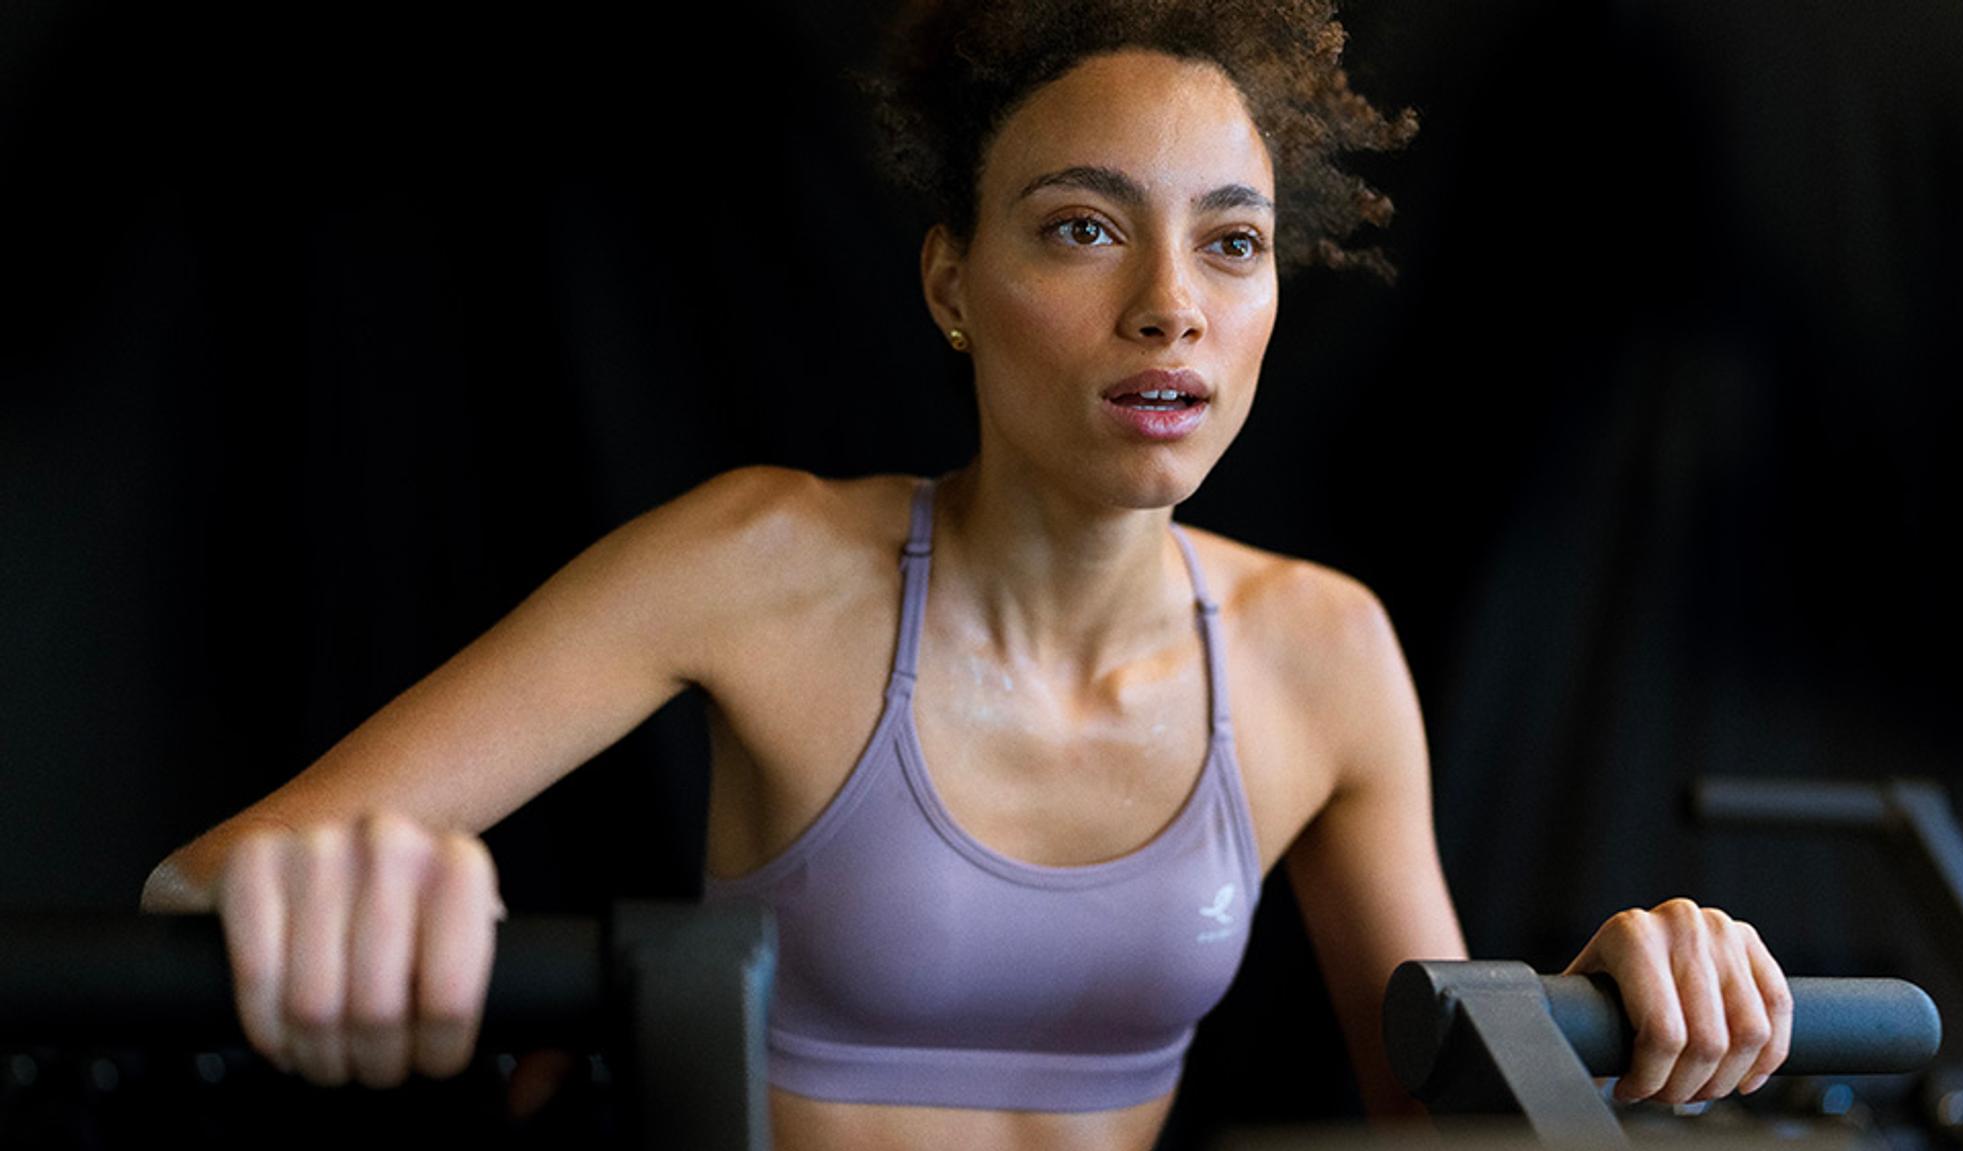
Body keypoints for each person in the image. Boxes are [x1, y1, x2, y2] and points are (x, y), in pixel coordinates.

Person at [141, 2, 1793, 1147]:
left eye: (1232, 241)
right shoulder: (763, 562)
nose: (1172, 308)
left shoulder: (1322, 652)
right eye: (1084, 228)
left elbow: (1429, 1104)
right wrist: (342, 881)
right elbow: (210, 874)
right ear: (953, 280)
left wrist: (1620, 1015)